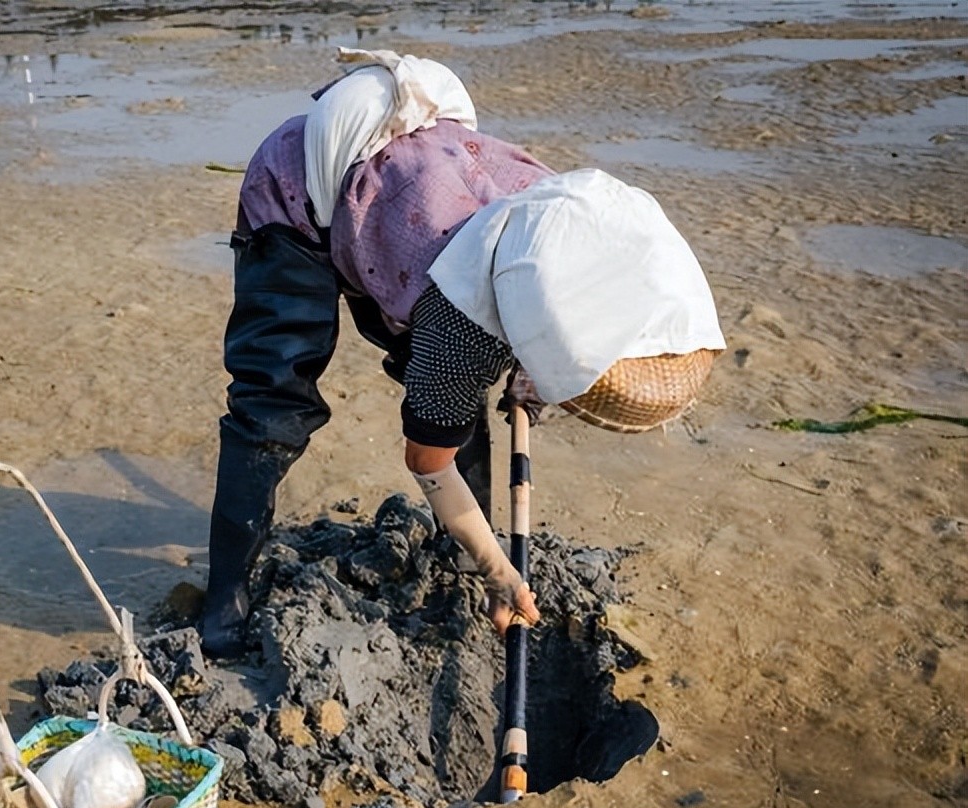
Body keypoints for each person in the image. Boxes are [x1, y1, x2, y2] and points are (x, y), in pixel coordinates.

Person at [200, 49, 724, 658]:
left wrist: (527, 372)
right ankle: (225, 598)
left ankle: (463, 553)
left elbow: (556, 309)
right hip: (299, 194)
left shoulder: (566, 231)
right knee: (273, 408)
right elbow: (427, 459)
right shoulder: (463, 326)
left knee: (456, 401)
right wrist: (505, 572)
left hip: (422, 200)